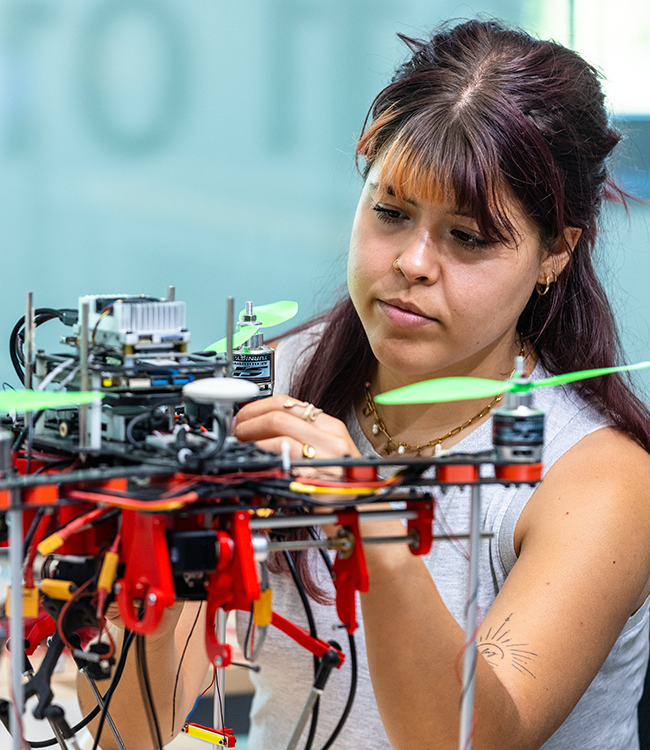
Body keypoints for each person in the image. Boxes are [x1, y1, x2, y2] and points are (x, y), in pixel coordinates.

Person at [79, 19, 650, 750]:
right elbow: (136, 733)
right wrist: (139, 556)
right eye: (390, 212)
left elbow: (474, 739)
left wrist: (372, 522)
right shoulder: (277, 389)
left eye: (467, 237)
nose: (413, 261)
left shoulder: (595, 481)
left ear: (554, 254)